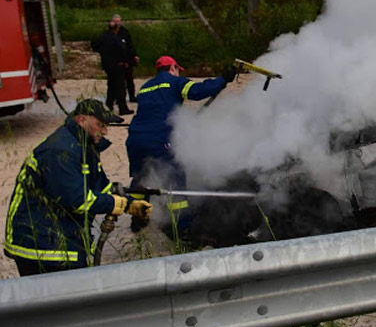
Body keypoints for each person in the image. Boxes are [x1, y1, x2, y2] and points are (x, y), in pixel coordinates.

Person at [3, 99, 153, 276]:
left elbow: (100, 186)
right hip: (42, 245)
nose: (105, 131)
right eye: (100, 125)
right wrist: (114, 204)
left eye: (106, 126)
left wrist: (130, 204)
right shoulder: (60, 151)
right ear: (82, 120)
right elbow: (77, 200)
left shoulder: (84, 146)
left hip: (61, 237)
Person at [126, 56, 236, 233]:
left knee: (141, 177)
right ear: (173, 68)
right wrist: (223, 79)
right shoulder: (173, 81)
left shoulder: (145, 87)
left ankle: (138, 217)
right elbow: (198, 91)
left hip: (135, 139)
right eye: (177, 69)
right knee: (174, 176)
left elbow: (158, 109)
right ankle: (181, 226)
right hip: (159, 139)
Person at [91, 15, 134, 115]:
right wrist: (127, 61)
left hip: (107, 65)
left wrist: (102, 52)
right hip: (117, 65)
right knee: (120, 87)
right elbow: (123, 51)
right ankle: (122, 108)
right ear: (116, 29)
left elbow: (94, 44)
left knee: (111, 85)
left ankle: (109, 105)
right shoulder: (116, 39)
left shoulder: (102, 37)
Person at [112, 14, 140, 103]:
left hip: (128, 59)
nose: (118, 23)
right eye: (116, 21)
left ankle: (132, 96)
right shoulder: (110, 33)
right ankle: (118, 98)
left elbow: (130, 45)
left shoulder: (125, 32)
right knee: (118, 81)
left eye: (119, 21)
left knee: (129, 79)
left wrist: (135, 55)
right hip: (116, 61)